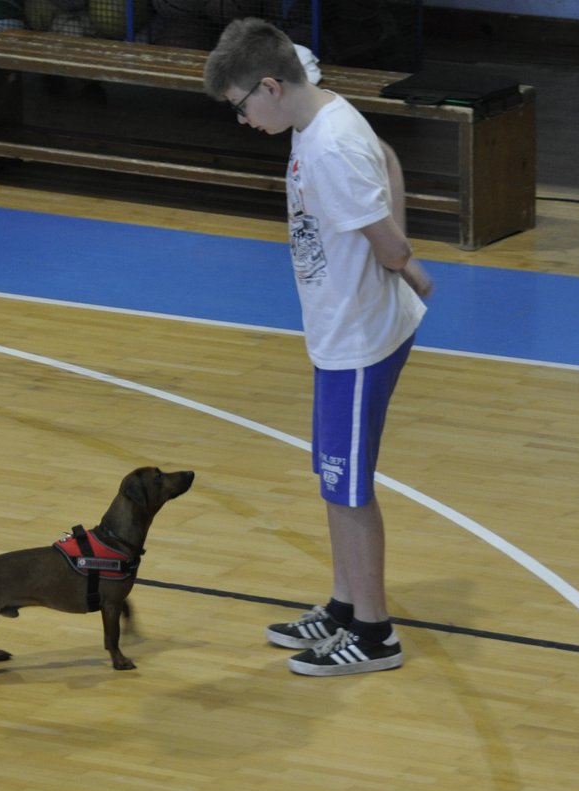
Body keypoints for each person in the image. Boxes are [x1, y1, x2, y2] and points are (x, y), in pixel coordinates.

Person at [204, 17, 433, 676]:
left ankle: (374, 631)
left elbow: (385, 241)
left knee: (350, 489)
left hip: (356, 341)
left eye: (244, 108)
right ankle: (342, 604)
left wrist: (406, 262)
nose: (244, 122)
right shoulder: (311, 96)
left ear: (271, 87)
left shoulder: (328, 147)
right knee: (334, 482)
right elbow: (387, 156)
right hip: (340, 332)